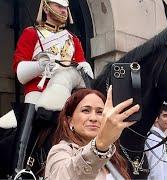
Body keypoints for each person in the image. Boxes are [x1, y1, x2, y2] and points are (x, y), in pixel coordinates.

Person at [6, 0, 94, 176]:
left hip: (67, 94)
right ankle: (19, 168)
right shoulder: (31, 33)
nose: (63, 10)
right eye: (58, 6)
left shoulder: (72, 39)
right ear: (46, 6)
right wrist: (39, 66)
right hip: (38, 92)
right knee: (28, 125)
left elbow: (83, 67)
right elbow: (20, 72)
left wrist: (85, 67)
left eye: (64, 7)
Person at [45, 87, 138, 179]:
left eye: (100, 112)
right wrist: (99, 146)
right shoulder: (61, 151)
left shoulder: (113, 157)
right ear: (70, 121)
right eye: (85, 110)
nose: (93, 118)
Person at [145, 104, 167, 180]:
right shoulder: (155, 139)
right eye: (165, 116)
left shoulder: (157, 138)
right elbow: (156, 172)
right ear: (156, 118)